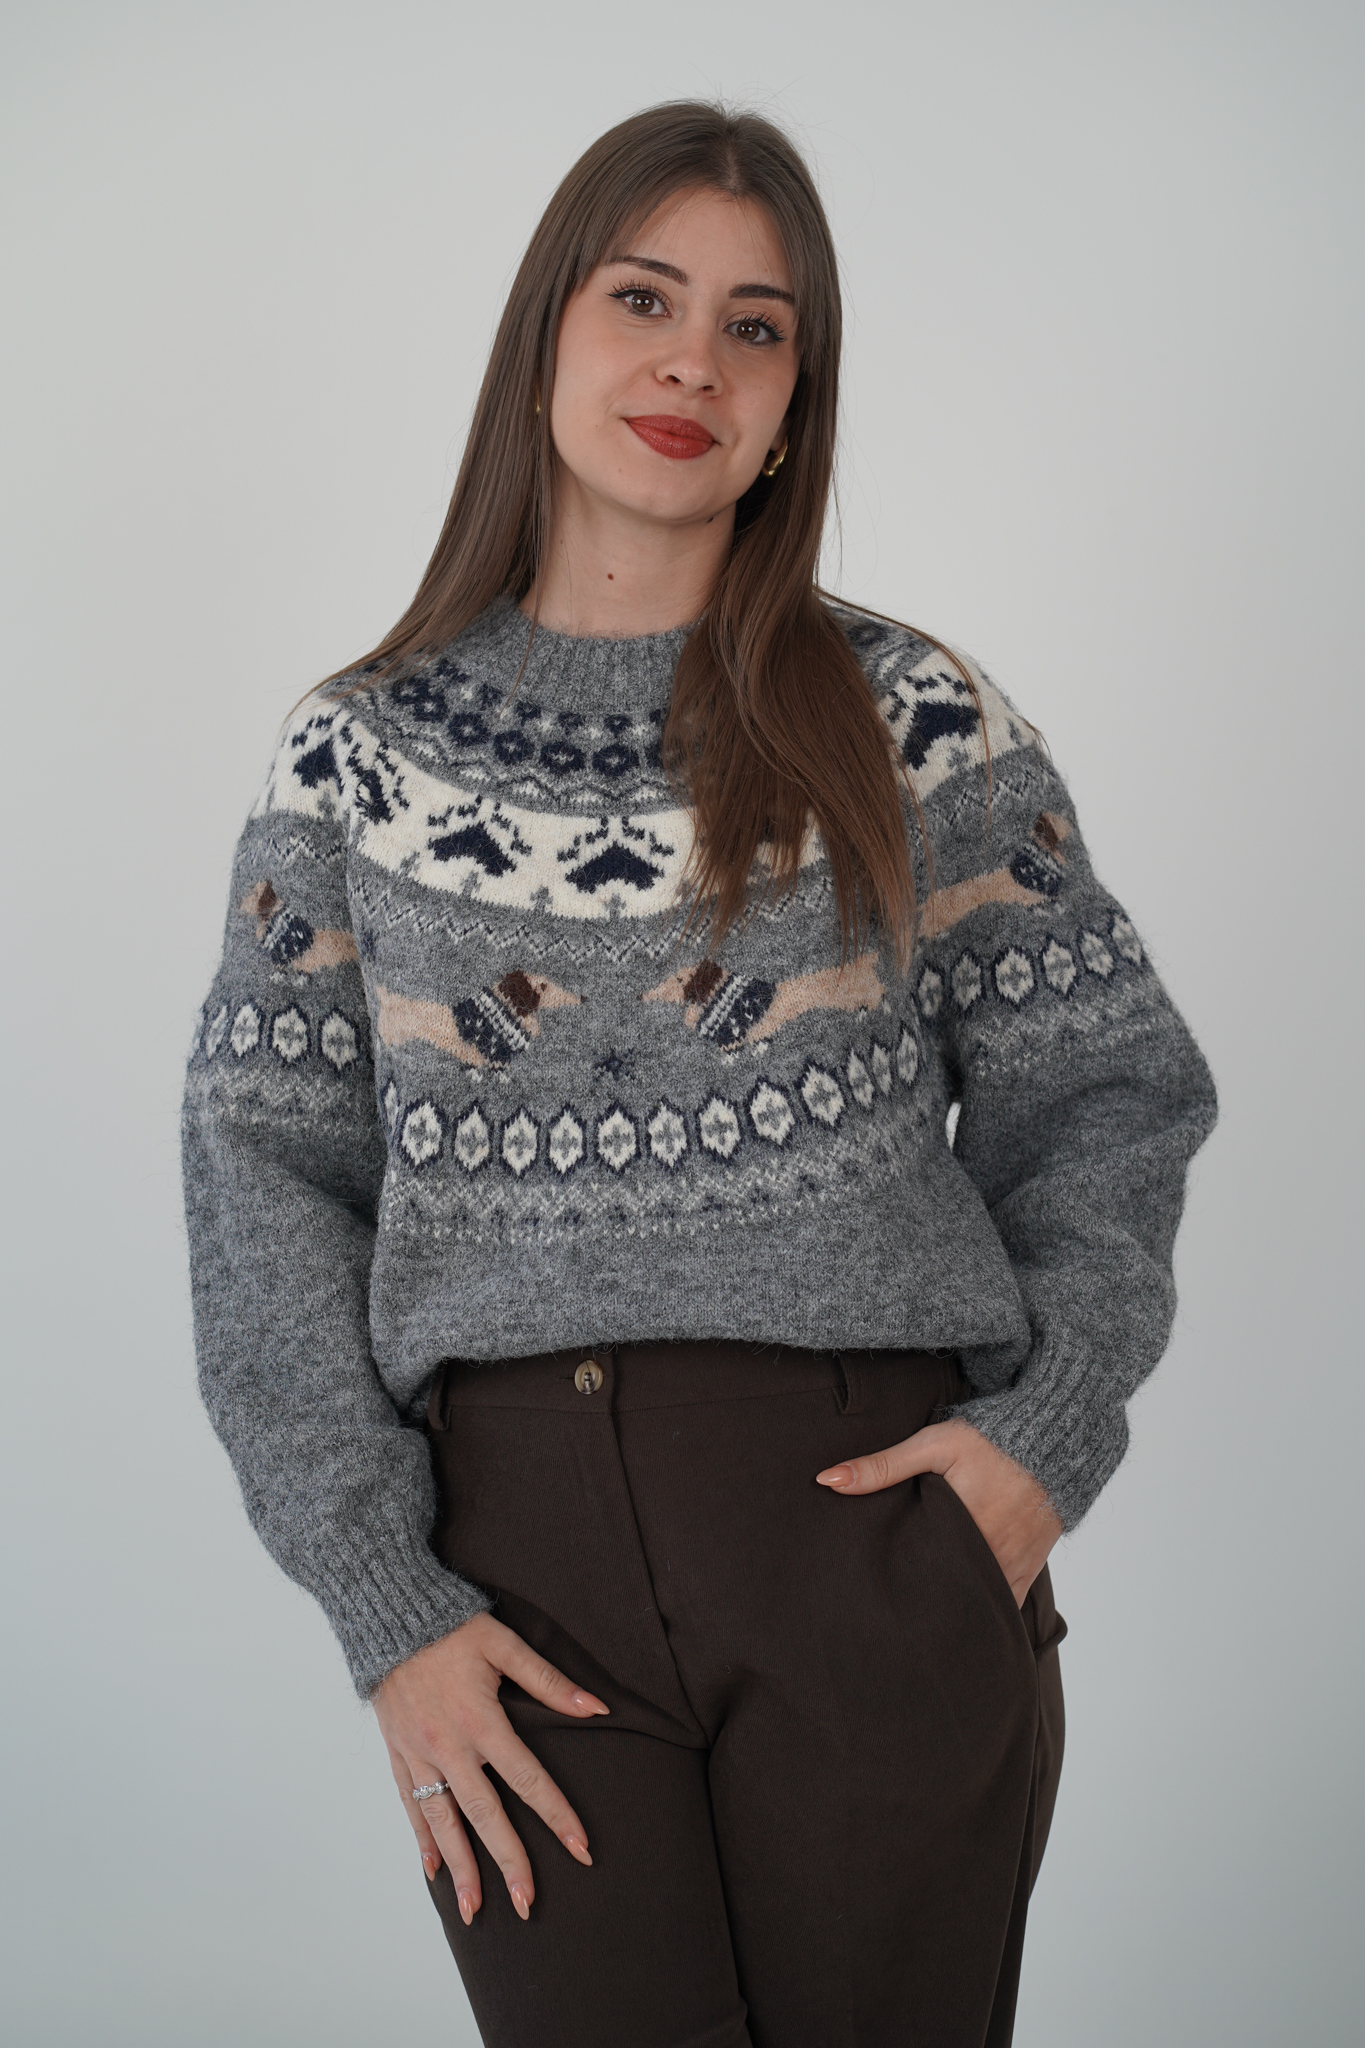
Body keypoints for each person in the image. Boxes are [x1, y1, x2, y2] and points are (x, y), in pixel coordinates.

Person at [182, 100, 1216, 2048]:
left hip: (869, 1524)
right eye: (642, 300)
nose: (693, 365)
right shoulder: (351, 757)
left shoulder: (911, 720)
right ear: (542, 339)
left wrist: (1043, 1439)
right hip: (513, 1573)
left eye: (757, 328)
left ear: (795, 403)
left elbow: (1107, 1094)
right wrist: (384, 1609)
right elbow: (264, 1185)